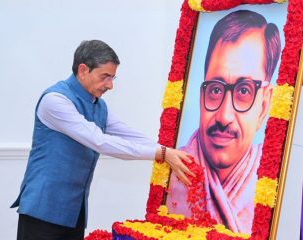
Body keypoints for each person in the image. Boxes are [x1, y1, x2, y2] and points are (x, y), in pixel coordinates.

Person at [11, 40, 195, 240]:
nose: (110, 85)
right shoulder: (55, 100)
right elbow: (99, 141)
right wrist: (161, 154)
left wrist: (166, 150)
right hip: (43, 210)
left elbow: (126, 133)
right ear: (83, 70)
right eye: (105, 77)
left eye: (113, 77)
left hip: (73, 213)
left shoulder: (99, 105)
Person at [166, 10, 281, 234]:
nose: (224, 116)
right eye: (216, 89)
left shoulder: (274, 180)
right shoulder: (173, 173)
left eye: (244, 91)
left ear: (264, 105)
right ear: (201, 96)